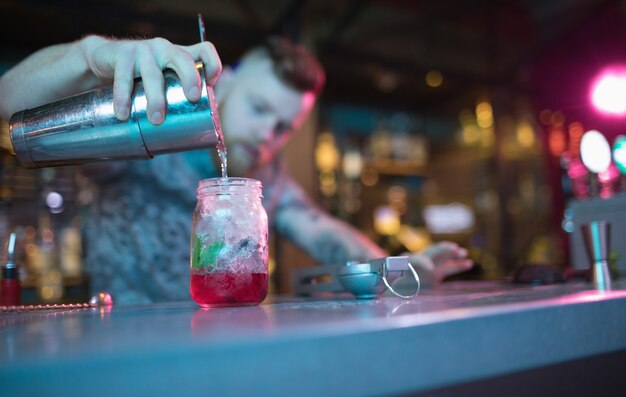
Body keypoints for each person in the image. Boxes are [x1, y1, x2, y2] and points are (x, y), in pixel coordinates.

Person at [0, 35, 473, 305]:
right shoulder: (151, 127)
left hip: (229, 346)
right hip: (124, 338)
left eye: (286, 125)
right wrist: (89, 57)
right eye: (260, 107)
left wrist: (396, 269)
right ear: (225, 81)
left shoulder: (264, 173)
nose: (269, 133)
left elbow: (322, 231)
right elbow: (8, 101)